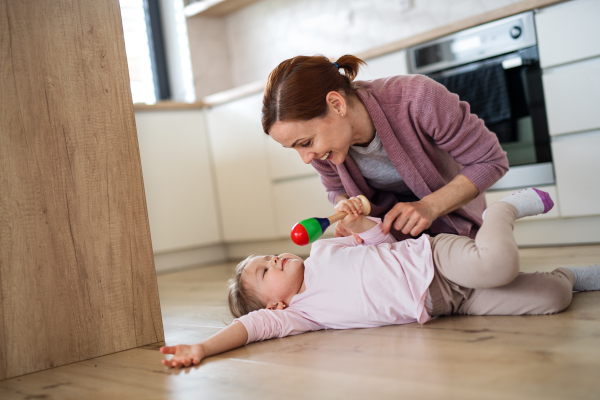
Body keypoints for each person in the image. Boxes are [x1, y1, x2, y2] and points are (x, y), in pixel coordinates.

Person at [160, 189, 600, 368]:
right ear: (276, 306)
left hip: (436, 259)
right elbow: (248, 328)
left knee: (498, 267)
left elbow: (378, 240)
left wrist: (356, 222)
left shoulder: (323, 249)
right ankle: (576, 275)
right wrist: (201, 347)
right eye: (264, 270)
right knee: (550, 295)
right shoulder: (303, 314)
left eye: (269, 256)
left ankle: (503, 209)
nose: (275, 259)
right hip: (448, 303)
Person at [262, 54, 510, 242]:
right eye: (294, 148)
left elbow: (489, 161)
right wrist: (344, 205)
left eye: (305, 143)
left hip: (453, 225)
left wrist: (430, 206)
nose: (307, 158)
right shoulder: (322, 150)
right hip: (391, 237)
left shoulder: (419, 98)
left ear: (336, 104)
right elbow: (336, 188)